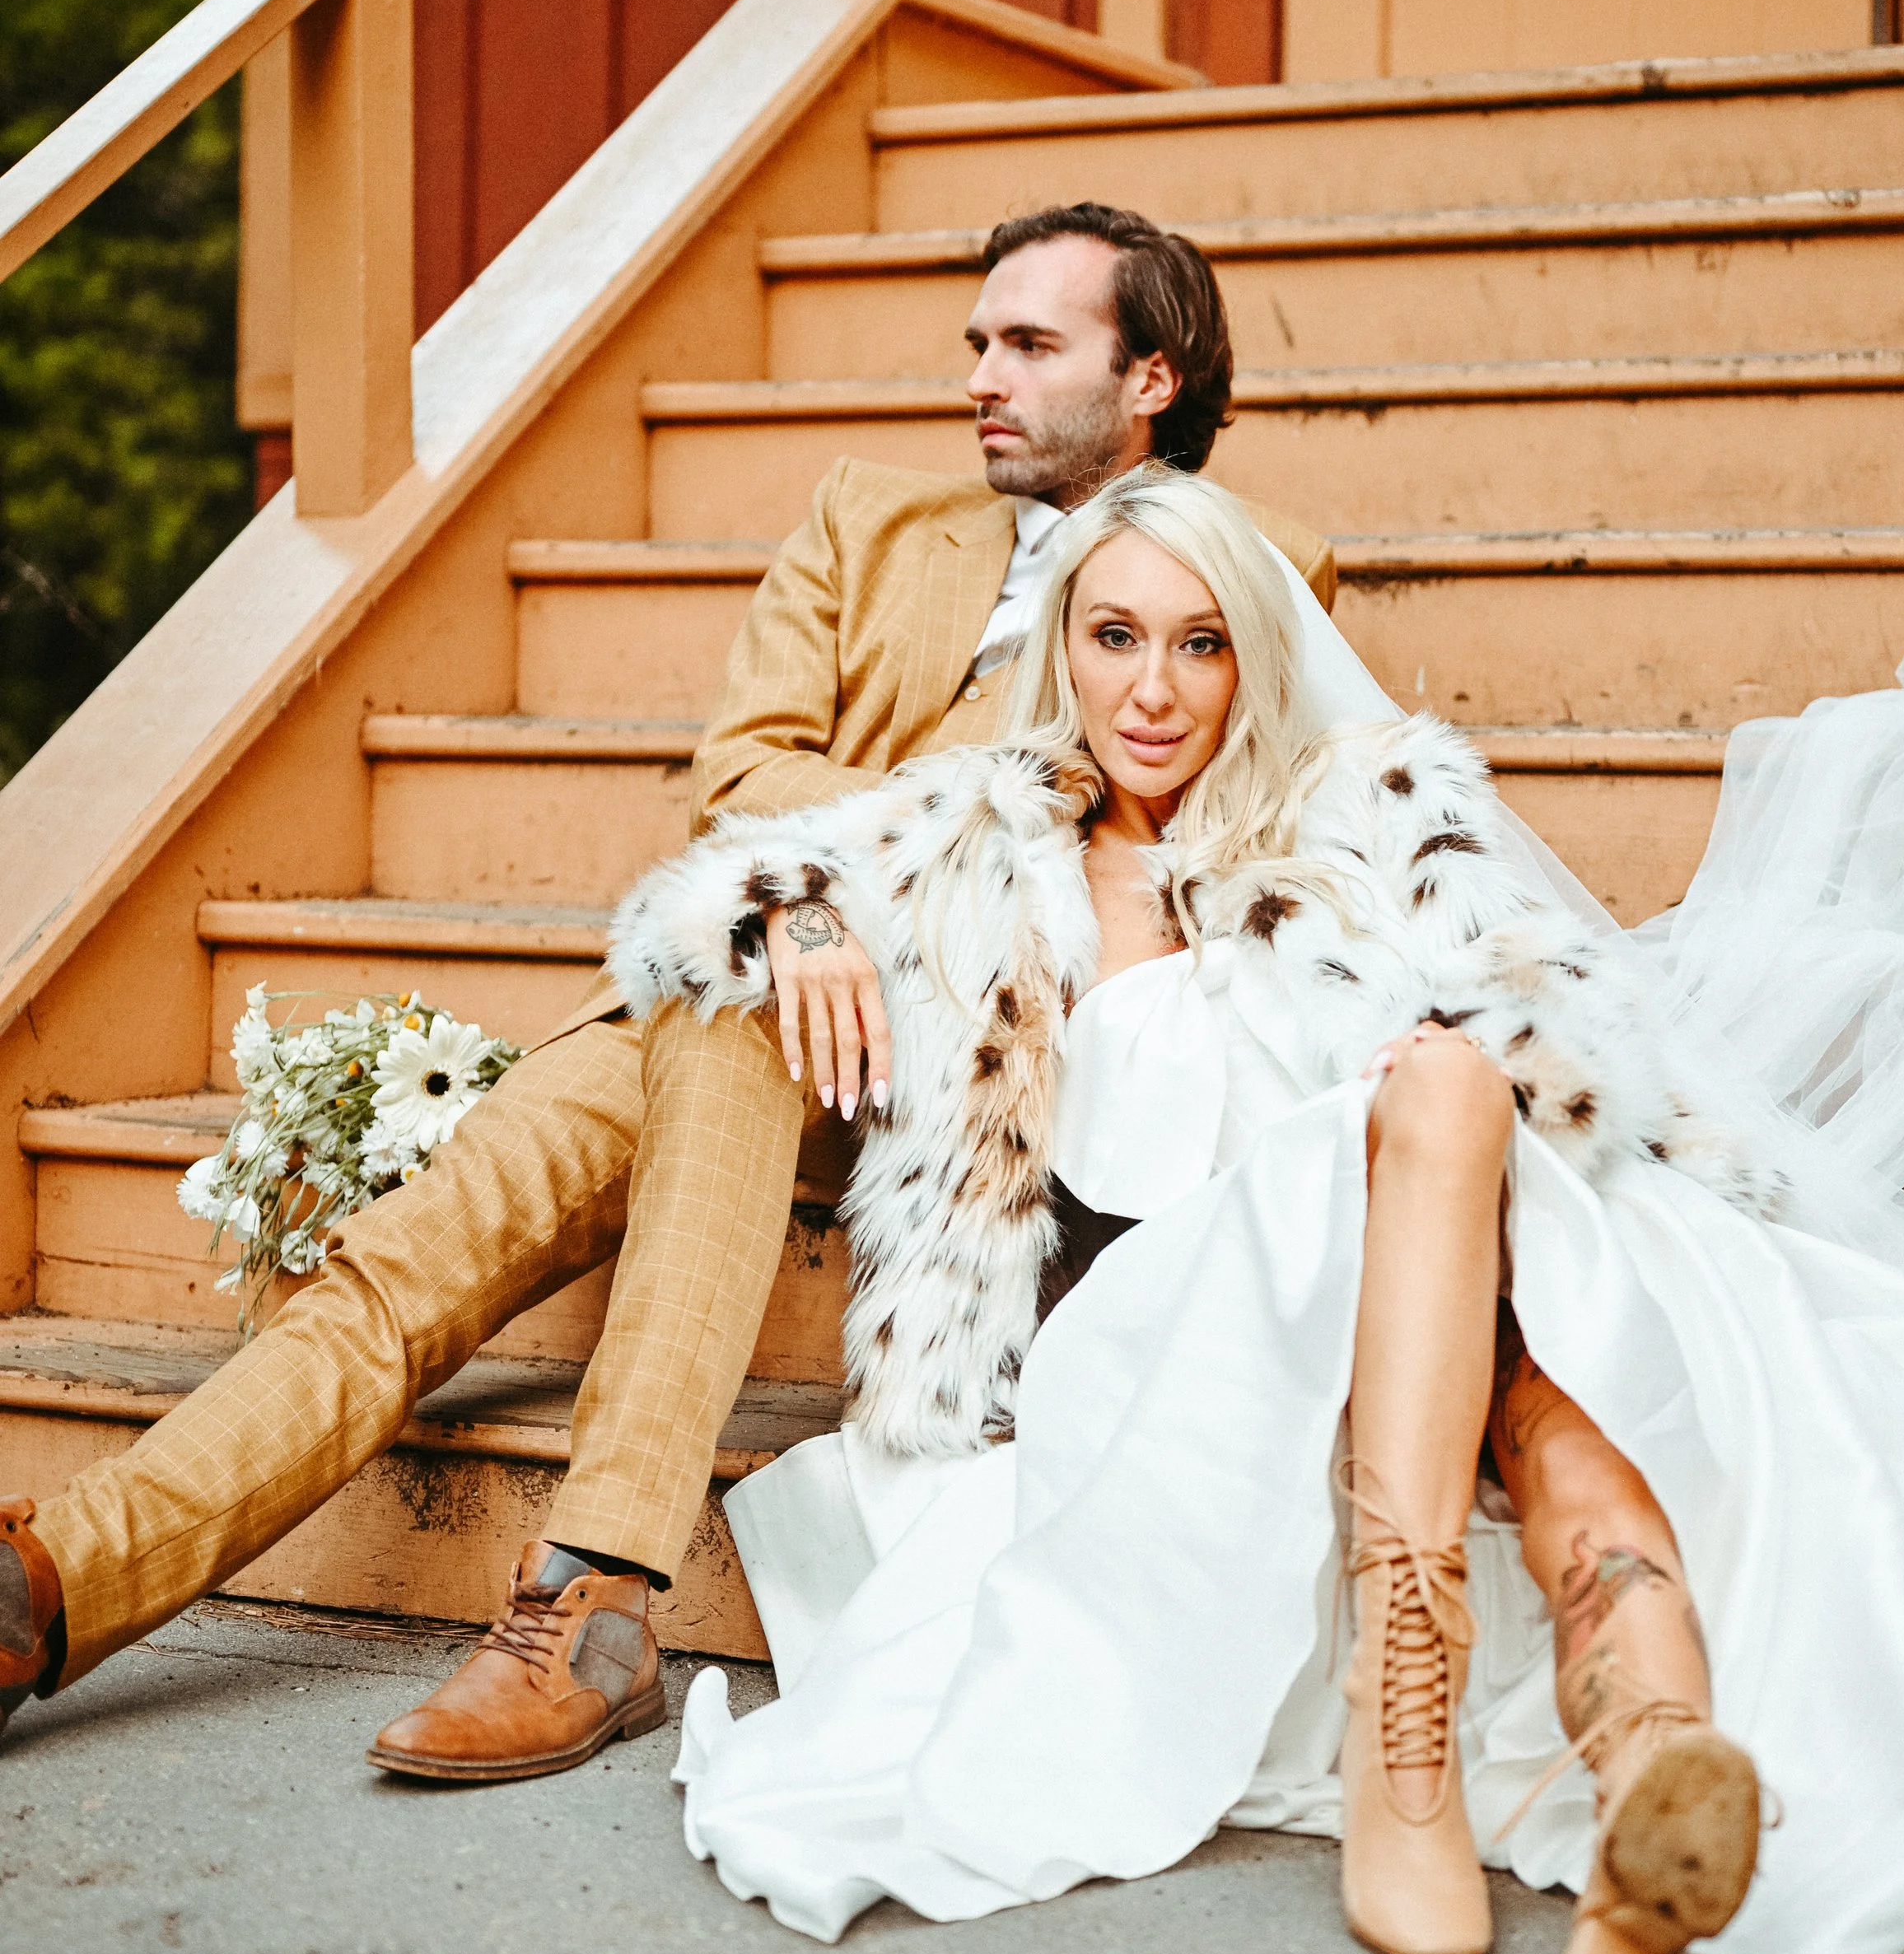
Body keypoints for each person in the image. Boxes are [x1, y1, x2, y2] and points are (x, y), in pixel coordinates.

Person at [609, 464, 1904, 1954]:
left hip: (1414, 1307)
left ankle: (1617, 1781)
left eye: (1200, 646)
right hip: (1174, 1359)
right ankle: (1494, 1716)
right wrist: (804, 922)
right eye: (1113, 639)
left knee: (1538, 1332)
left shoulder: (1360, 810)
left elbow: (1561, 1033)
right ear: (1060, 650)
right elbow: (687, 917)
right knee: (1443, 1126)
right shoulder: (968, 838)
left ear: (1254, 658)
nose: (1151, 692)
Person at [0, 207, 1336, 1783]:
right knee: (407, 1259)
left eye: (1029, 345)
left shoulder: (1248, 582)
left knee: (722, 1014)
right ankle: (52, 1586)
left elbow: (1198, 831)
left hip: (962, 1074)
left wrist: (850, 886)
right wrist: (807, 906)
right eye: (978, 338)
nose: (981, 372)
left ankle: (595, 1589)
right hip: (745, 984)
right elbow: (739, 768)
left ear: (1151, 378)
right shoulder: (870, 525)